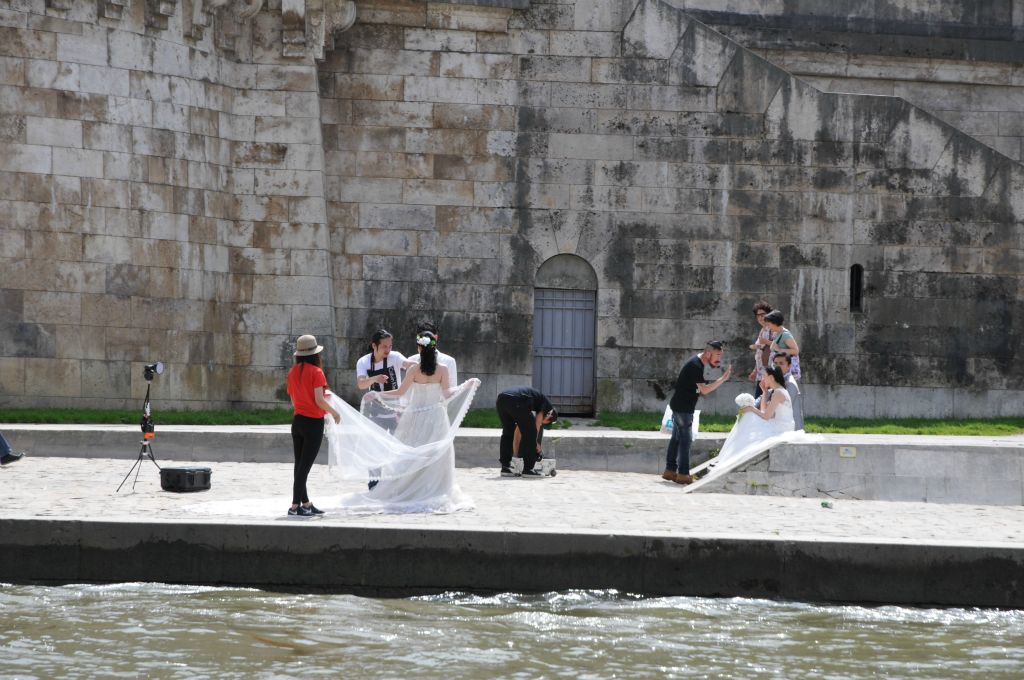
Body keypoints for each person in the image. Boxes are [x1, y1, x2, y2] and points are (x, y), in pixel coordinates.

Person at [324, 331, 480, 514]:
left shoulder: (414, 370)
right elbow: (446, 394)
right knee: (437, 455)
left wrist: (378, 394)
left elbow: (399, 392)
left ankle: (409, 487)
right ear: (434, 347)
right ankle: (437, 489)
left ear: (419, 348)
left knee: (410, 453)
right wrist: (465, 386)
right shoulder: (443, 369)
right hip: (437, 416)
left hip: (416, 415)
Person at [701, 365, 797, 477]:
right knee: (749, 416)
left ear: (771, 377)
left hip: (782, 428)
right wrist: (764, 392)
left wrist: (751, 408)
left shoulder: (778, 393)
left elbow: (765, 416)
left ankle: (730, 456)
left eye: (765, 376)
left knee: (748, 416)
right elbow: (764, 412)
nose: (763, 379)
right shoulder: (777, 391)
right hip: (777, 424)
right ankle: (728, 456)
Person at [286, 334, 341, 517]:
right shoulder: (317, 372)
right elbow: (319, 400)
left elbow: (293, 400)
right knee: (304, 468)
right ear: (315, 354)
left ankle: (306, 503)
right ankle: (295, 507)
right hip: (313, 424)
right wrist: (334, 412)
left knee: (299, 466)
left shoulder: (292, 372)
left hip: (298, 422)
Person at [664, 340, 732, 485]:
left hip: (679, 405)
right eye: (717, 355)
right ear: (708, 353)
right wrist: (722, 379)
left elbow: (696, 389)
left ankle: (670, 470)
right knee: (685, 440)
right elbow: (704, 390)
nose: (719, 359)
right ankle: (683, 474)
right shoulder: (695, 366)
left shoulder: (697, 363)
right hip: (683, 408)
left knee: (677, 438)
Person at [495, 387, 557, 477]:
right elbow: (536, 426)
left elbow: (518, 431)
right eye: (546, 423)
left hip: (501, 399)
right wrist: (536, 444)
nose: (542, 425)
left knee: (508, 432)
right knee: (531, 432)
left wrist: (515, 455)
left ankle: (506, 468)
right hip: (516, 400)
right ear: (549, 417)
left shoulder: (536, 402)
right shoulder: (548, 408)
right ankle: (528, 469)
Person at [355, 329, 408, 432]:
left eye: (390, 346)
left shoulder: (395, 356)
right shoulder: (363, 362)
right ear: (374, 346)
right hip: (375, 410)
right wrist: (375, 378)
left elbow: (407, 364)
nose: (388, 350)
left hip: (396, 409)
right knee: (376, 445)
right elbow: (361, 384)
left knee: (397, 444)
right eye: (384, 346)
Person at [405, 321, 458, 389]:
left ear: (436, 338)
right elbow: (407, 390)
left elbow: (452, 388)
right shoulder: (411, 360)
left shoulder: (449, 361)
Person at [748, 300, 775, 399]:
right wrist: (755, 370)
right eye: (758, 315)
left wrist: (766, 343)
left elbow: (779, 347)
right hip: (761, 373)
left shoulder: (773, 329)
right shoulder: (762, 330)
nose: (760, 317)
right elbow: (759, 352)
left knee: (762, 403)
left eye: (762, 314)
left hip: (770, 372)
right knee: (760, 402)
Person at [764, 310, 800, 379]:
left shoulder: (785, 334)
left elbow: (796, 351)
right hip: (778, 373)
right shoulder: (778, 333)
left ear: (775, 323)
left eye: (769, 324)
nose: (768, 327)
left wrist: (780, 350)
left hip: (784, 375)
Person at [773, 353, 805, 431]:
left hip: (791, 428)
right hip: (781, 423)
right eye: (775, 363)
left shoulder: (790, 383)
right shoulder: (777, 380)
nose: (777, 366)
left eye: (781, 363)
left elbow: (780, 406)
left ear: (789, 366)